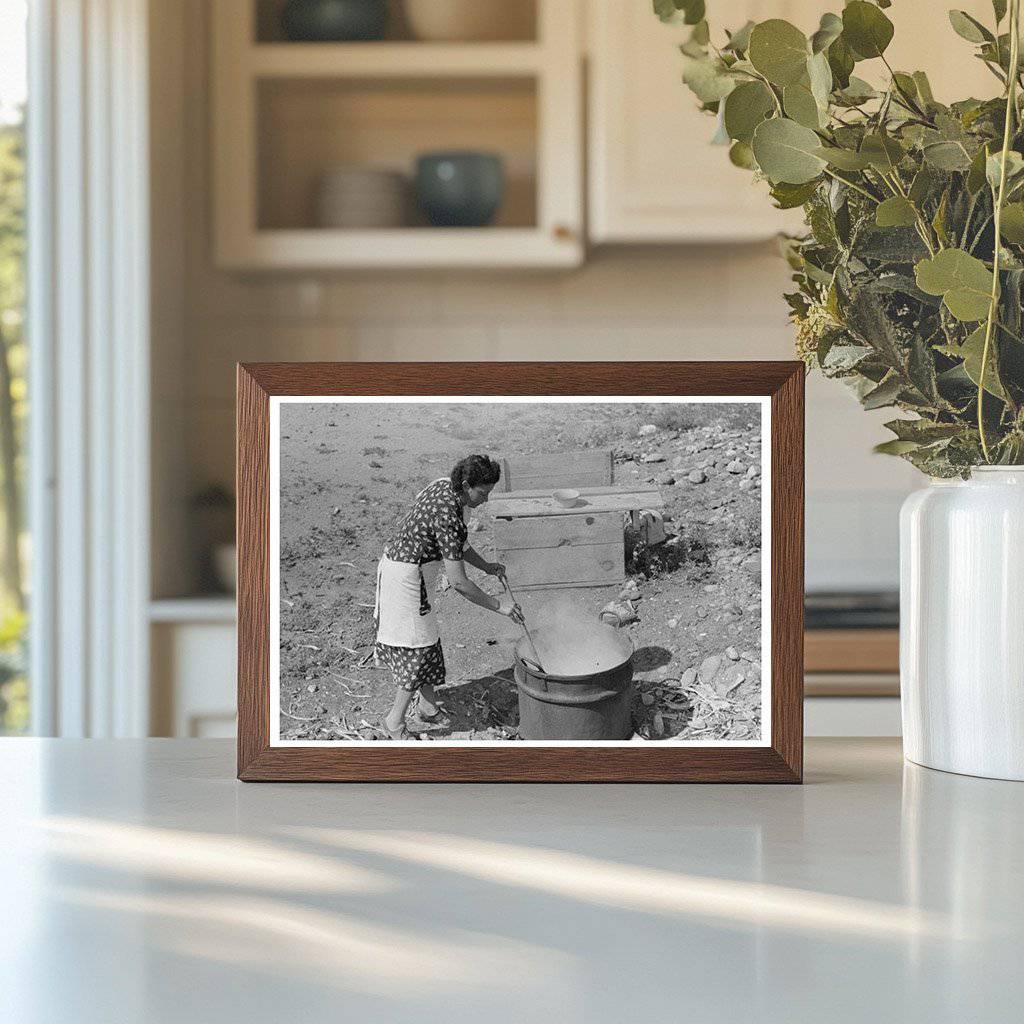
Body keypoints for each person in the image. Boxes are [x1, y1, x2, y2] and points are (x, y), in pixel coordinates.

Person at [374, 454, 523, 740]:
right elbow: (459, 583)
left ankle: (427, 708)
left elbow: (459, 545)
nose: (486, 500)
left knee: (428, 640)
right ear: (466, 485)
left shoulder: (446, 486)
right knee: (416, 649)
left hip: (413, 572)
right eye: (482, 493)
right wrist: (500, 606)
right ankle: (394, 722)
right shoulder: (447, 513)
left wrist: (488, 567)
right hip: (405, 578)